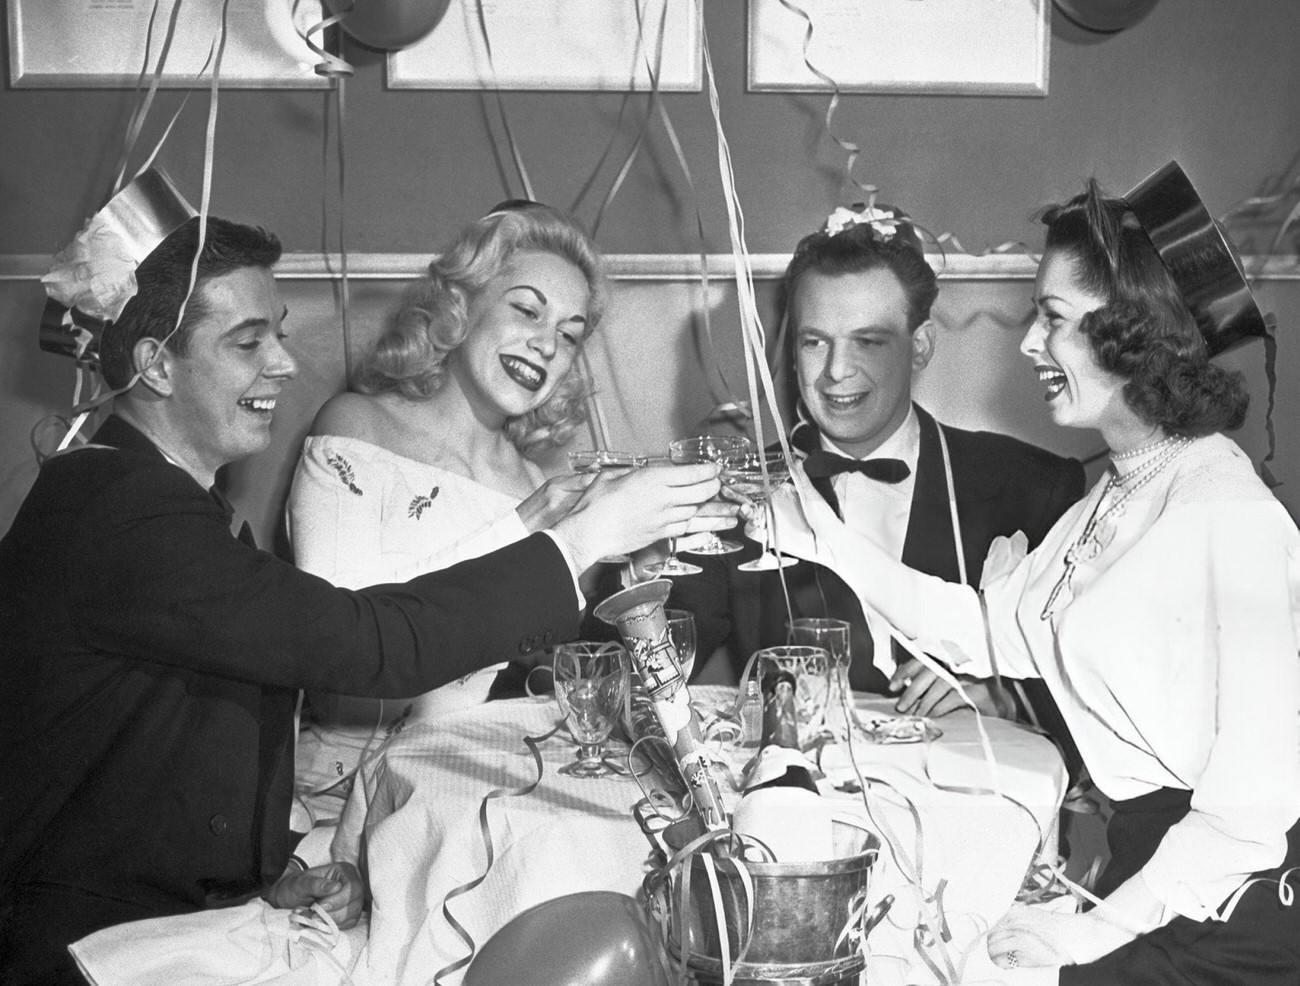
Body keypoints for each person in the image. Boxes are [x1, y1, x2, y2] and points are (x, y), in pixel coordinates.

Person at [0, 206, 737, 985]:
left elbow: (186, 743)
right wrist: (584, 537)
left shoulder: (163, 501)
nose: (284, 363)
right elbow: (364, 643)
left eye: (279, 334)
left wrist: (278, 864)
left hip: (197, 899)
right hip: (86, 945)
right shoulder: (122, 511)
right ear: (155, 365)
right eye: (250, 342)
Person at [767, 169, 1300, 983]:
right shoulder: (1123, 487)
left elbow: (1251, 821)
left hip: (1228, 914)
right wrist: (824, 537)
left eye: (1051, 318)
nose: (1026, 343)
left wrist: (1085, 935)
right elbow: (988, 628)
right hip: (1149, 875)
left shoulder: (1228, 514)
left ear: (1129, 332)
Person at [672, 202, 1085, 750]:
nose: (837, 371)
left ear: (920, 347)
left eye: (868, 341)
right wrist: (640, 571)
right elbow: (641, 678)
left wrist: (1010, 698)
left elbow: (1110, 686)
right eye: (814, 341)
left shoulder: (1032, 487)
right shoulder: (742, 491)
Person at [286, 200, 608, 831]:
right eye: (526, 310)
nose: (546, 344)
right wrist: (523, 529)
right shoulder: (358, 425)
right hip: (341, 793)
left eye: (568, 336)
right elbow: (348, 652)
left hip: (488, 786)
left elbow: (533, 679)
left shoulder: (540, 482)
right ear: (462, 308)